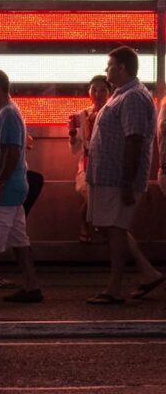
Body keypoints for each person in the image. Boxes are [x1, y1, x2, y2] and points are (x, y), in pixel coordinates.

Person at [85, 46, 163, 304]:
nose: (106, 71)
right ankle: (148, 273)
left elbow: (134, 140)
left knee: (115, 228)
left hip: (118, 179)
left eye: (109, 66)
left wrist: (128, 182)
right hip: (108, 178)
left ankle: (114, 288)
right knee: (112, 227)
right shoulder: (122, 95)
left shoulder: (133, 98)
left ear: (121, 68)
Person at [0, 69, 43, 304]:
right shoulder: (7, 112)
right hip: (14, 188)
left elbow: (13, 151)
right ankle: (32, 286)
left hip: (7, 189)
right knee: (19, 240)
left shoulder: (7, 114)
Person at [68, 75, 111, 243]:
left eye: (102, 90)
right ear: (89, 92)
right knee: (90, 195)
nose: (98, 94)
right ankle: (91, 225)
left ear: (109, 93)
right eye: (94, 89)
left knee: (100, 198)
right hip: (87, 162)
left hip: (108, 163)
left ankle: (94, 225)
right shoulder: (82, 114)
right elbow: (75, 147)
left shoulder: (112, 112)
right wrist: (72, 135)